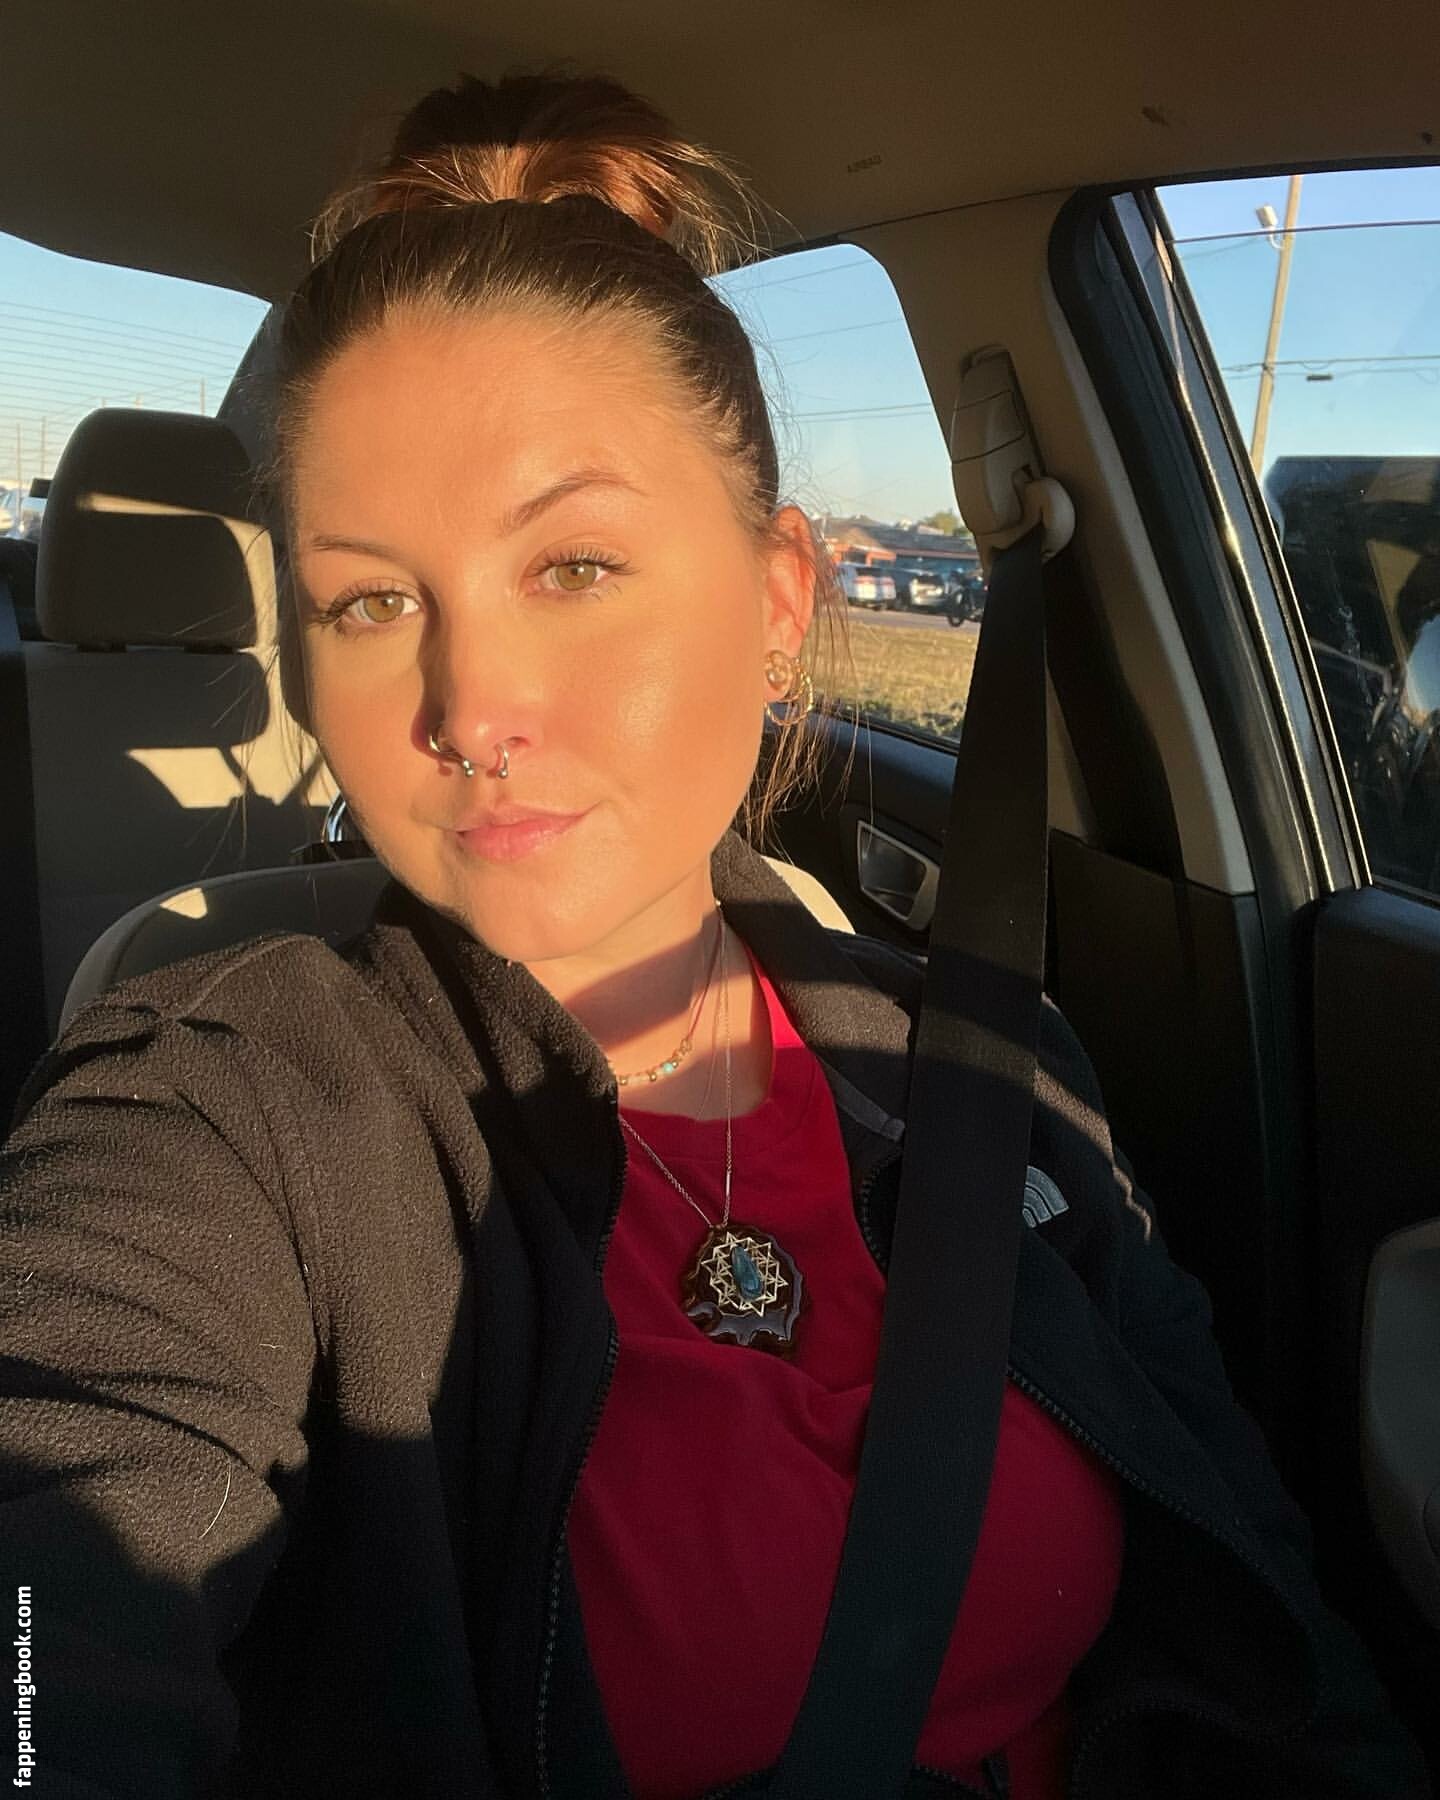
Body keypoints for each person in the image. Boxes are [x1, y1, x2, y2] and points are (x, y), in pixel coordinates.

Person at [0, 69, 1429, 1800]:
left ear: (777, 599)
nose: (470, 705)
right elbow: (58, 1568)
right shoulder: (223, 1110)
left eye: (574, 567)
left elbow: (1276, 1637)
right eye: (372, 600)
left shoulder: (986, 1066)